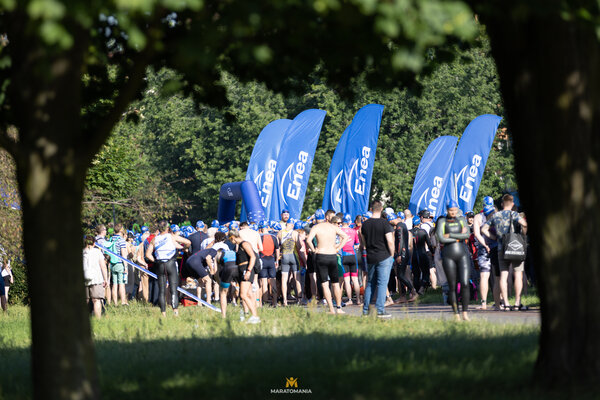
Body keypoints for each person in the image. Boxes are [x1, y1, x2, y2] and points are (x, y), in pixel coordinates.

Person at [481, 194, 528, 311]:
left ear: (502, 204)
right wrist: (523, 234)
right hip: (516, 247)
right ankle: (517, 303)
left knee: (503, 275)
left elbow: (483, 229)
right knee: (518, 275)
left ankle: (506, 303)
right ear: (512, 204)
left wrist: (494, 237)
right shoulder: (515, 214)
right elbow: (524, 224)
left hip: (502, 247)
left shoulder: (496, 215)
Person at [145, 220, 191, 317]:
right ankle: (175, 312)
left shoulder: (154, 239)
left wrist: (156, 260)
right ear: (167, 228)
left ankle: (163, 314)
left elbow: (148, 254)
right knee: (173, 288)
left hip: (160, 264)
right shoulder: (171, 236)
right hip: (171, 263)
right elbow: (188, 242)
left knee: (161, 290)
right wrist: (183, 249)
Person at [436, 201, 472, 321]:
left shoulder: (461, 219)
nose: (453, 213)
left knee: (465, 283)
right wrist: (458, 235)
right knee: (452, 285)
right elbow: (440, 238)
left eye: (455, 210)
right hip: (448, 255)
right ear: (447, 210)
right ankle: (456, 313)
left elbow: (467, 234)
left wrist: (450, 234)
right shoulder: (442, 221)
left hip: (462, 254)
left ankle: (465, 313)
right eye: (451, 211)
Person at [307, 212, 349, 314]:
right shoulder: (332, 227)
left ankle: (331, 309)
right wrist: (338, 248)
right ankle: (339, 308)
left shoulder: (316, 227)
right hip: (332, 255)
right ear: (326, 218)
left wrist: (313, 250)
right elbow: (345, 237)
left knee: (325, 284)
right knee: (335, 283)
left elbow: (308, 240)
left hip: (321, 255)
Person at [361, 200, 395, 318]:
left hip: (371, 256)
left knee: (370, 283)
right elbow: (390, 241)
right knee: (382, 283)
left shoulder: (365, 224)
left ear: (371, 209)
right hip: (384, 256)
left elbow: (363, 242)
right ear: (381, 209)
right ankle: (380, 310)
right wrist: (392, 255)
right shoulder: (385, 224)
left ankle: (366, 311)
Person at [228, 229, 260, 323]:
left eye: (230, 240)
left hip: (246, 270)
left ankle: (255, 316)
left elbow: (253, 257)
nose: (231, 242)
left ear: (233, 237)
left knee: (243, 294)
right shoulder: (240, 245)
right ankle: (252, 315)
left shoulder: (244, 244)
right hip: (243, 270)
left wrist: (249, 271)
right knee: (249, 294)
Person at [473, 205, 501, 310]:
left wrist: (485, 245)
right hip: (496, 247)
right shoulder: (497, 216)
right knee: (498, 277)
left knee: (484, 276)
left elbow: (476, 233)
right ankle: (500, 301)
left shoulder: (478, 217)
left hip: (483, 248)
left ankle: (484, 303)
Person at [277, 214, 303, 306]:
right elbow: (299, 246)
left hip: (284, 256)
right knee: (297, 278)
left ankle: (284, 300)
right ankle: (299, 299)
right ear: (292, 225)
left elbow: (278, 246)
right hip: (293, 255)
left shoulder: (280, 233)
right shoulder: (295, 233)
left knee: (284, 279)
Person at [392, 213, 417, 303]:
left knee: (401, 275)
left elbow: (401, 241)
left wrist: (399, 254)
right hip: (405, 253)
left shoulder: (399, 227)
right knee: (401, 275)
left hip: (402, 254)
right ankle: (404, 295)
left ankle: (413, 291)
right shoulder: (404, 226)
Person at [83, 235, 108, 318]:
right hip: (96, 278)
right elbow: (103, 266)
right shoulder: (97, 252)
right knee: (96, 300)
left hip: (84, 279)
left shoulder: (82, 252)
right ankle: (98, 319)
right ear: (94, 243)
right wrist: (105, 279)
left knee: (86, 300)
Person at [409, 216, 434, 295]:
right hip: (422, 254)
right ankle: (422, 288)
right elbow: (429, 244)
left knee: (416, 274)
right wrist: (433, 252)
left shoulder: (409, 232)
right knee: (426, 272)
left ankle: (417, 290)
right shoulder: (423, 232)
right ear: (419, 223)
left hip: (413, 255)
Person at [340, 214, 361, 305]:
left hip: (343, 255)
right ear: (349, 222)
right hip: (353, 255)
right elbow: (357, 244)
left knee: (347, 280)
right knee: (355, 279)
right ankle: (359, 299)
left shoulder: (339, 230)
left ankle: (349, 300)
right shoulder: (353, 231)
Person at [258, 221, 279, 307]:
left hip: (262, 260)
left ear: (260, 229)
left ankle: (265, 301)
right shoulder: (274, 237)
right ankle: (275, 302)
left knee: (263, 282)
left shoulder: (259, 237)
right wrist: (276, 261)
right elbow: (277, 250)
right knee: (273, 282)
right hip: (271, 260)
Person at [108, 224, 129, 306]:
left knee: (114, 284)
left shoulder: (111, 239)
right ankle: (123, 302)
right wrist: (126, 266)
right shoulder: (121, 240)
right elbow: (124, 254)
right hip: (120, 264)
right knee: (121, 284)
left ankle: (115, 303)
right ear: (120, 230)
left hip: (112, 263)